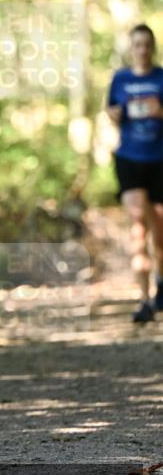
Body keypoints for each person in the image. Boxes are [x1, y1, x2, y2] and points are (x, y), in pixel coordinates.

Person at [106, 24, 163, 322]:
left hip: (160, 160)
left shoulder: (161, 77)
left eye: (147, 44)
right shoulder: (120, 79)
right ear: (131, 48)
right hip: (129, 158)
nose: (142, 49)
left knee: (159, 231)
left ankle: (161, 283)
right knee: (137, 225)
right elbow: (112, 112)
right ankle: (143, 301)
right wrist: (116, 115)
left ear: (152, 47)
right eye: (137, 44)